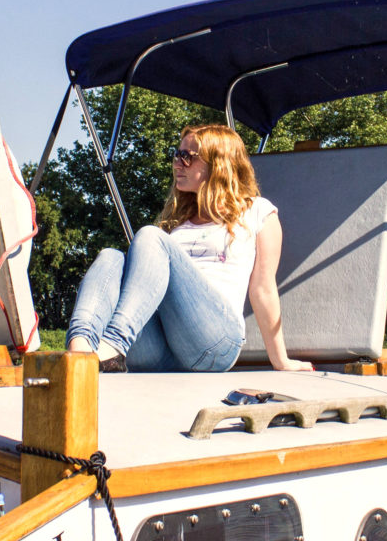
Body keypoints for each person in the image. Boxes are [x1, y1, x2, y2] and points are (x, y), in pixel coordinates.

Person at [67, 124, 314, 373]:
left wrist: (281, 361)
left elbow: (263, 289)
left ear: (218, 164)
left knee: (150, 236)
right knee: (110, 257)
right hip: (165, 351)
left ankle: (113, 342)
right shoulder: (178, 224)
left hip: (216, 343)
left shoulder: (258, 211)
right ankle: (78, 352)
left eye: (187, 157)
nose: (177, 163)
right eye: (177, 154)